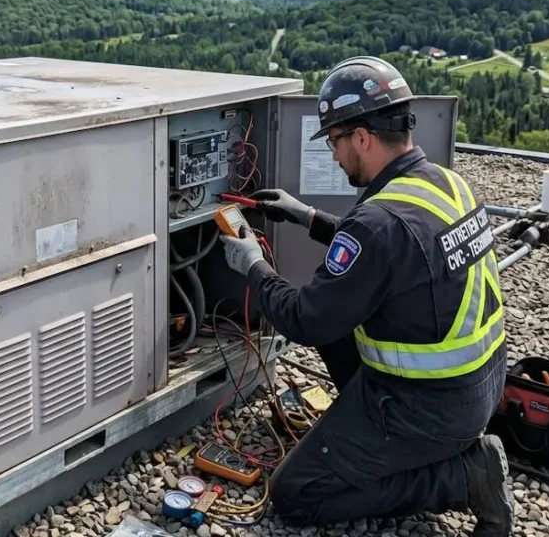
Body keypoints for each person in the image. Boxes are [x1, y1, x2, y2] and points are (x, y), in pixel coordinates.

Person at [218, 55, 513, 535]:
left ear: (361, 136)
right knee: (341, 320)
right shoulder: (446, 183)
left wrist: (253, 266)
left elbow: (305, 319)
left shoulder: (377, 225)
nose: (334, 155)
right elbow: (397, 258)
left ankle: (462, 477)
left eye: (334, 141)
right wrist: (308, 217)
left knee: (295, 493)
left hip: (427, 408)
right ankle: (367, 438)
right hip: (479, 386)